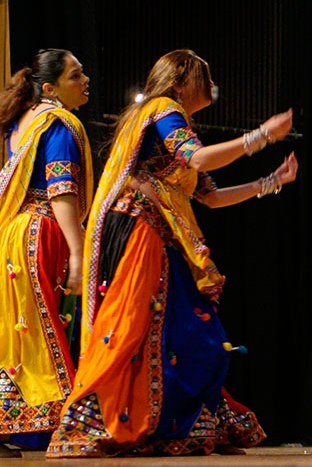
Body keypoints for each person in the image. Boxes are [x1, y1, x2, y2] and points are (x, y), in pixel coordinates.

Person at [45, 48, 298, 458]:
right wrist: (261, 136)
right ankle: (102, 423)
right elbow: (196, 158)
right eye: (206, 77)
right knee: (129, 328)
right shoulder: (163, 109)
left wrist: (270, 181)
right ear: (182, 81)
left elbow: (211, 197)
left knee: (194, 335)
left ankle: (173, 426)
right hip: (142, 233)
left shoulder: (174, 123)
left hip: (168, 241)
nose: (213, 87)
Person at [0, 49, 94, 455]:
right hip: (41, 234)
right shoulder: (56, 123)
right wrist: (78, 253)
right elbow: (61, 191)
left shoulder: (19, 125)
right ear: (51, 88)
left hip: (11, 236)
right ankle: (48, 424)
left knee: (17, 335)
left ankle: (16, 424)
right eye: (76, 75)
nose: (86, 79)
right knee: (42, 331)